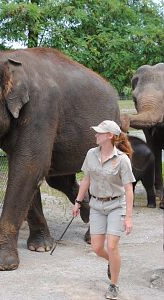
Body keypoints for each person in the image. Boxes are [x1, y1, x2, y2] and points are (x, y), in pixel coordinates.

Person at [72, 120, 135, 300]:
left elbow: (129, 189)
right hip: (97, 205)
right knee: (97, 247)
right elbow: (86, 180)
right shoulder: (91, 154)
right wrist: (77, 202)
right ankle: (112, 262)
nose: (95, 135)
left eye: (99, 132)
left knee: (112, 245)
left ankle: (113, 285)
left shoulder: (122, 160)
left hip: (116, 205)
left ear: (110, 136)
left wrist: (128, 217)